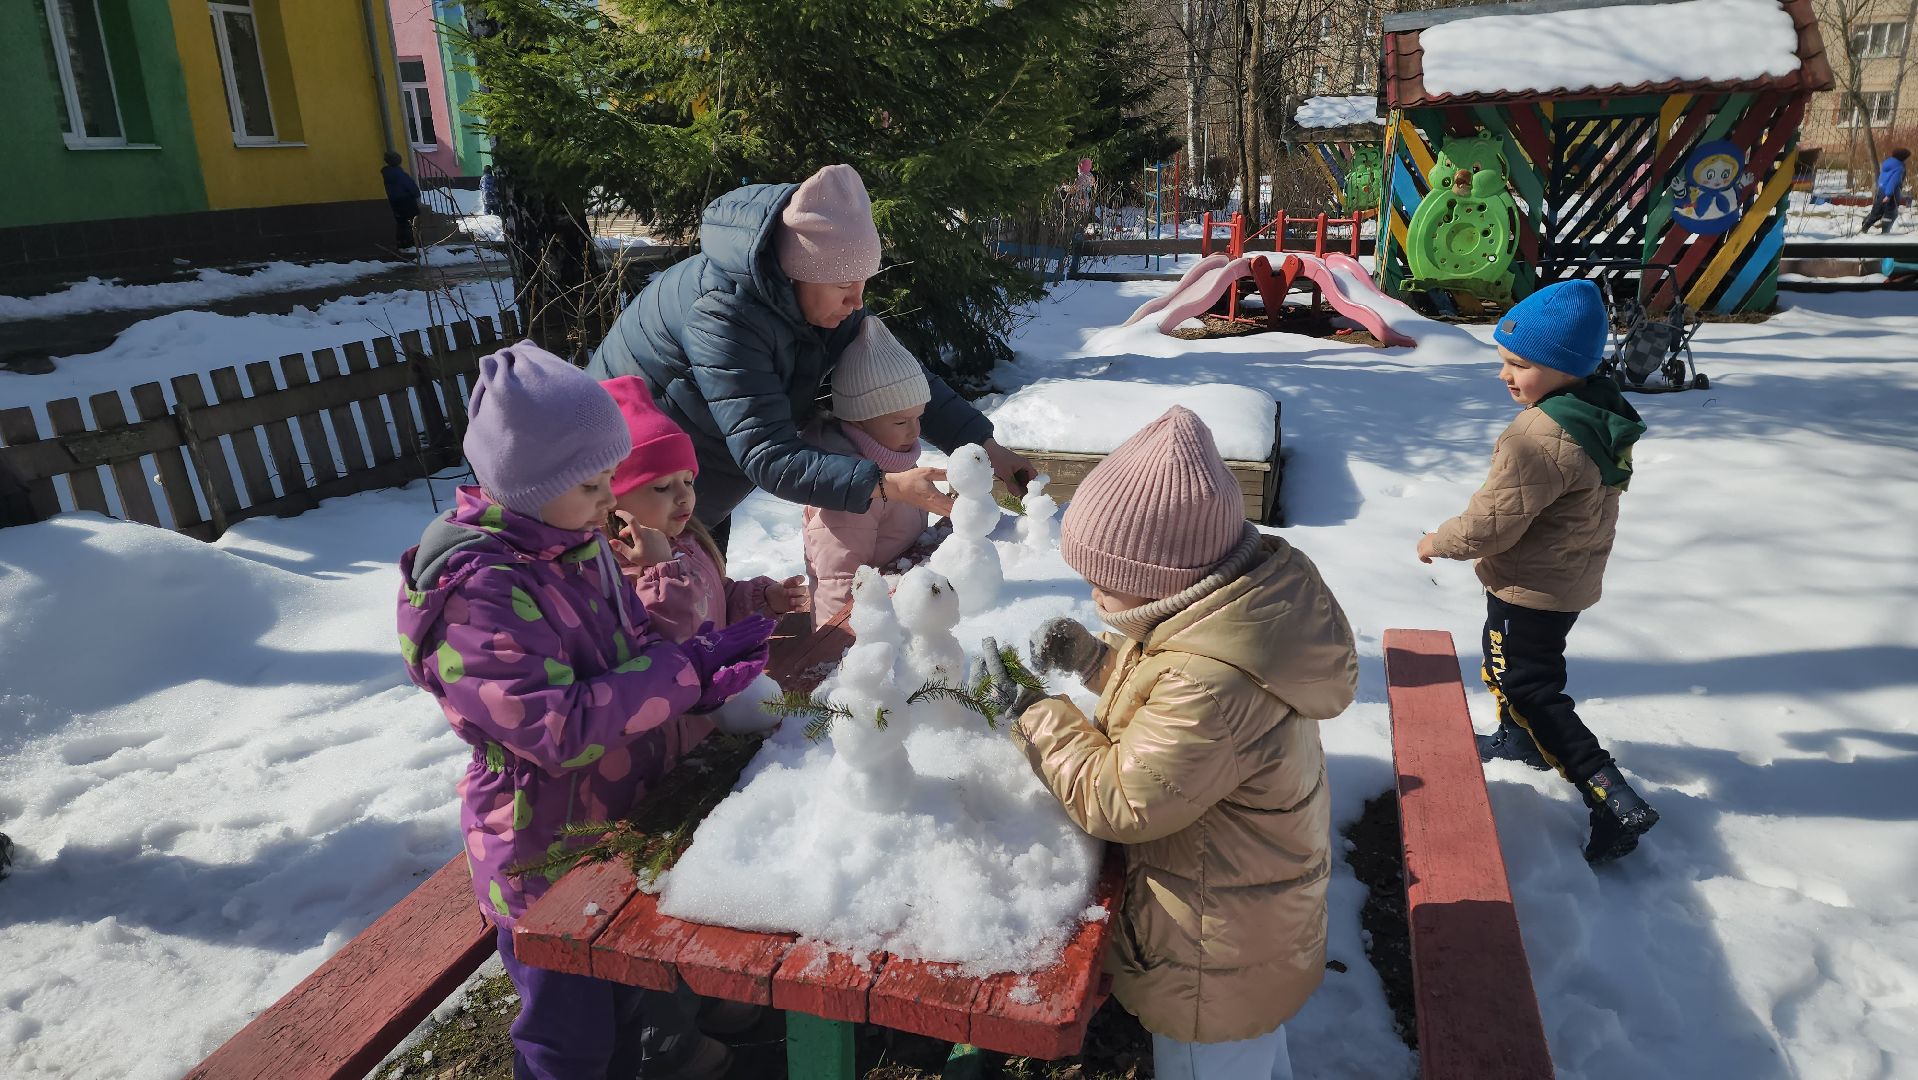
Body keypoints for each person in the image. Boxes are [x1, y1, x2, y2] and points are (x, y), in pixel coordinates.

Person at [396, 341, 775, 1080]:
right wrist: (682, 674)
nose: (612, 499)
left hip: (611, 821)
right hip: (540, 851)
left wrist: (681, 635)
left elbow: (623, 649)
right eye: (595, 483)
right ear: (530, 484)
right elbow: (554, 728)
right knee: (569, 1038)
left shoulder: (573, 542)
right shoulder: (480, 592)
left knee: (630, 1006)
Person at [975, 406, 1358, 1080]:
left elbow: (1120, 799)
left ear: (1163, 586)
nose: (1094, 594)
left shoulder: (1212, 686)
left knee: (1210, 1065)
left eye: (1104, 582)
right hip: (1248, 920)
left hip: (1212, 953)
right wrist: (1096, 660)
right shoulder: (1230, 622)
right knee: (1253, 1054)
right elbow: (1166, 682)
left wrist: (1031, 715)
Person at [585, 163, 1034, 548]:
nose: (858, 302)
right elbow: (767, 453)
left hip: (687, 485)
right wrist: (884, 484)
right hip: (625, 489)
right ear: (799, 274)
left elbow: (899, 385)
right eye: (845, 286)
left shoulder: (819, 301)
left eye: (863, 284)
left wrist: (988, 448)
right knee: (655, 614)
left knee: (698, 601)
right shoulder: (723, 315)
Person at [1416, 279, 1657, 865]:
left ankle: (1608, 793)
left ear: (1563, 367)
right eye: (1504, 360)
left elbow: (1491, 524)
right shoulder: (1595, 409)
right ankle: (1516, 739)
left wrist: (1436, 541)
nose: (1505, 374)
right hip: (1564, 579)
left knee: (1528, 685)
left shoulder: (1540, 436)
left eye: (1520, 364)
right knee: (1518, 669)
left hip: (1532, 588)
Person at [601, 374, 808, 643]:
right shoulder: (618, 573)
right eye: (662, 487)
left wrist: (765, 600)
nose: (684, 496)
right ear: (613, 498)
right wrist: (662, 569)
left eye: (688, 481)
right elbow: (678, 640)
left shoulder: (687, 542)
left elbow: (715, 602)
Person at [801, 317, 934, 624]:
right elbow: (840, 586)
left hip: (900, 599)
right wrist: (839, 656)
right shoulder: (845, 492)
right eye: (901, 421)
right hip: (865, 627)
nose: (914, 432)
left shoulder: (893, 454)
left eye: (919, 417)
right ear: (859, 420)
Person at [1860, 148, 1910, 234]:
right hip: (1891, 193)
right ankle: (1885, 234)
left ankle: (1865, 225)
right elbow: (1893, 181)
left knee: (1877, 211)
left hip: (1881, 190)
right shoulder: (1899, 167)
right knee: (1891, 213)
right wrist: (1888, 195)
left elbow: (1884, 179)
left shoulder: (1887, 163)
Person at [381, 151, 422, 250]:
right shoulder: (399, 174)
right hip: (406, 201)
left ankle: (402, 243)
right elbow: (411, 187)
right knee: (412, 222)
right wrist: (416, 193)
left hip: (394, 202)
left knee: (401, 222)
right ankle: (412, 244)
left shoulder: (387, 174)